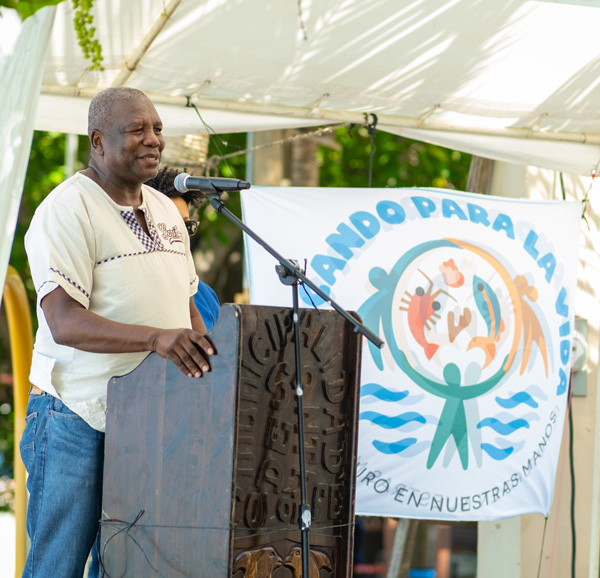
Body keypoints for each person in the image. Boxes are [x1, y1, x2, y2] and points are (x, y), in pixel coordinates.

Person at [20, 86, 215, 578]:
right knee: (57, 566)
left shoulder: (168, 210)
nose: (152, 140)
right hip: (74, 416)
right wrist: (155, 338)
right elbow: (64, 321)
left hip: (152, 421)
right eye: (136, 130)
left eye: (157, 129)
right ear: (99, 141)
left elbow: (187, 306)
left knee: (130, 566)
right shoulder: (67, 209)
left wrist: (207, 366)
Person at [145, 166, 221, 330]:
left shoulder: (205, 294)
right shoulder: (131, 286)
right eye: (171, 225)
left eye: (185, 225)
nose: (180, 235)